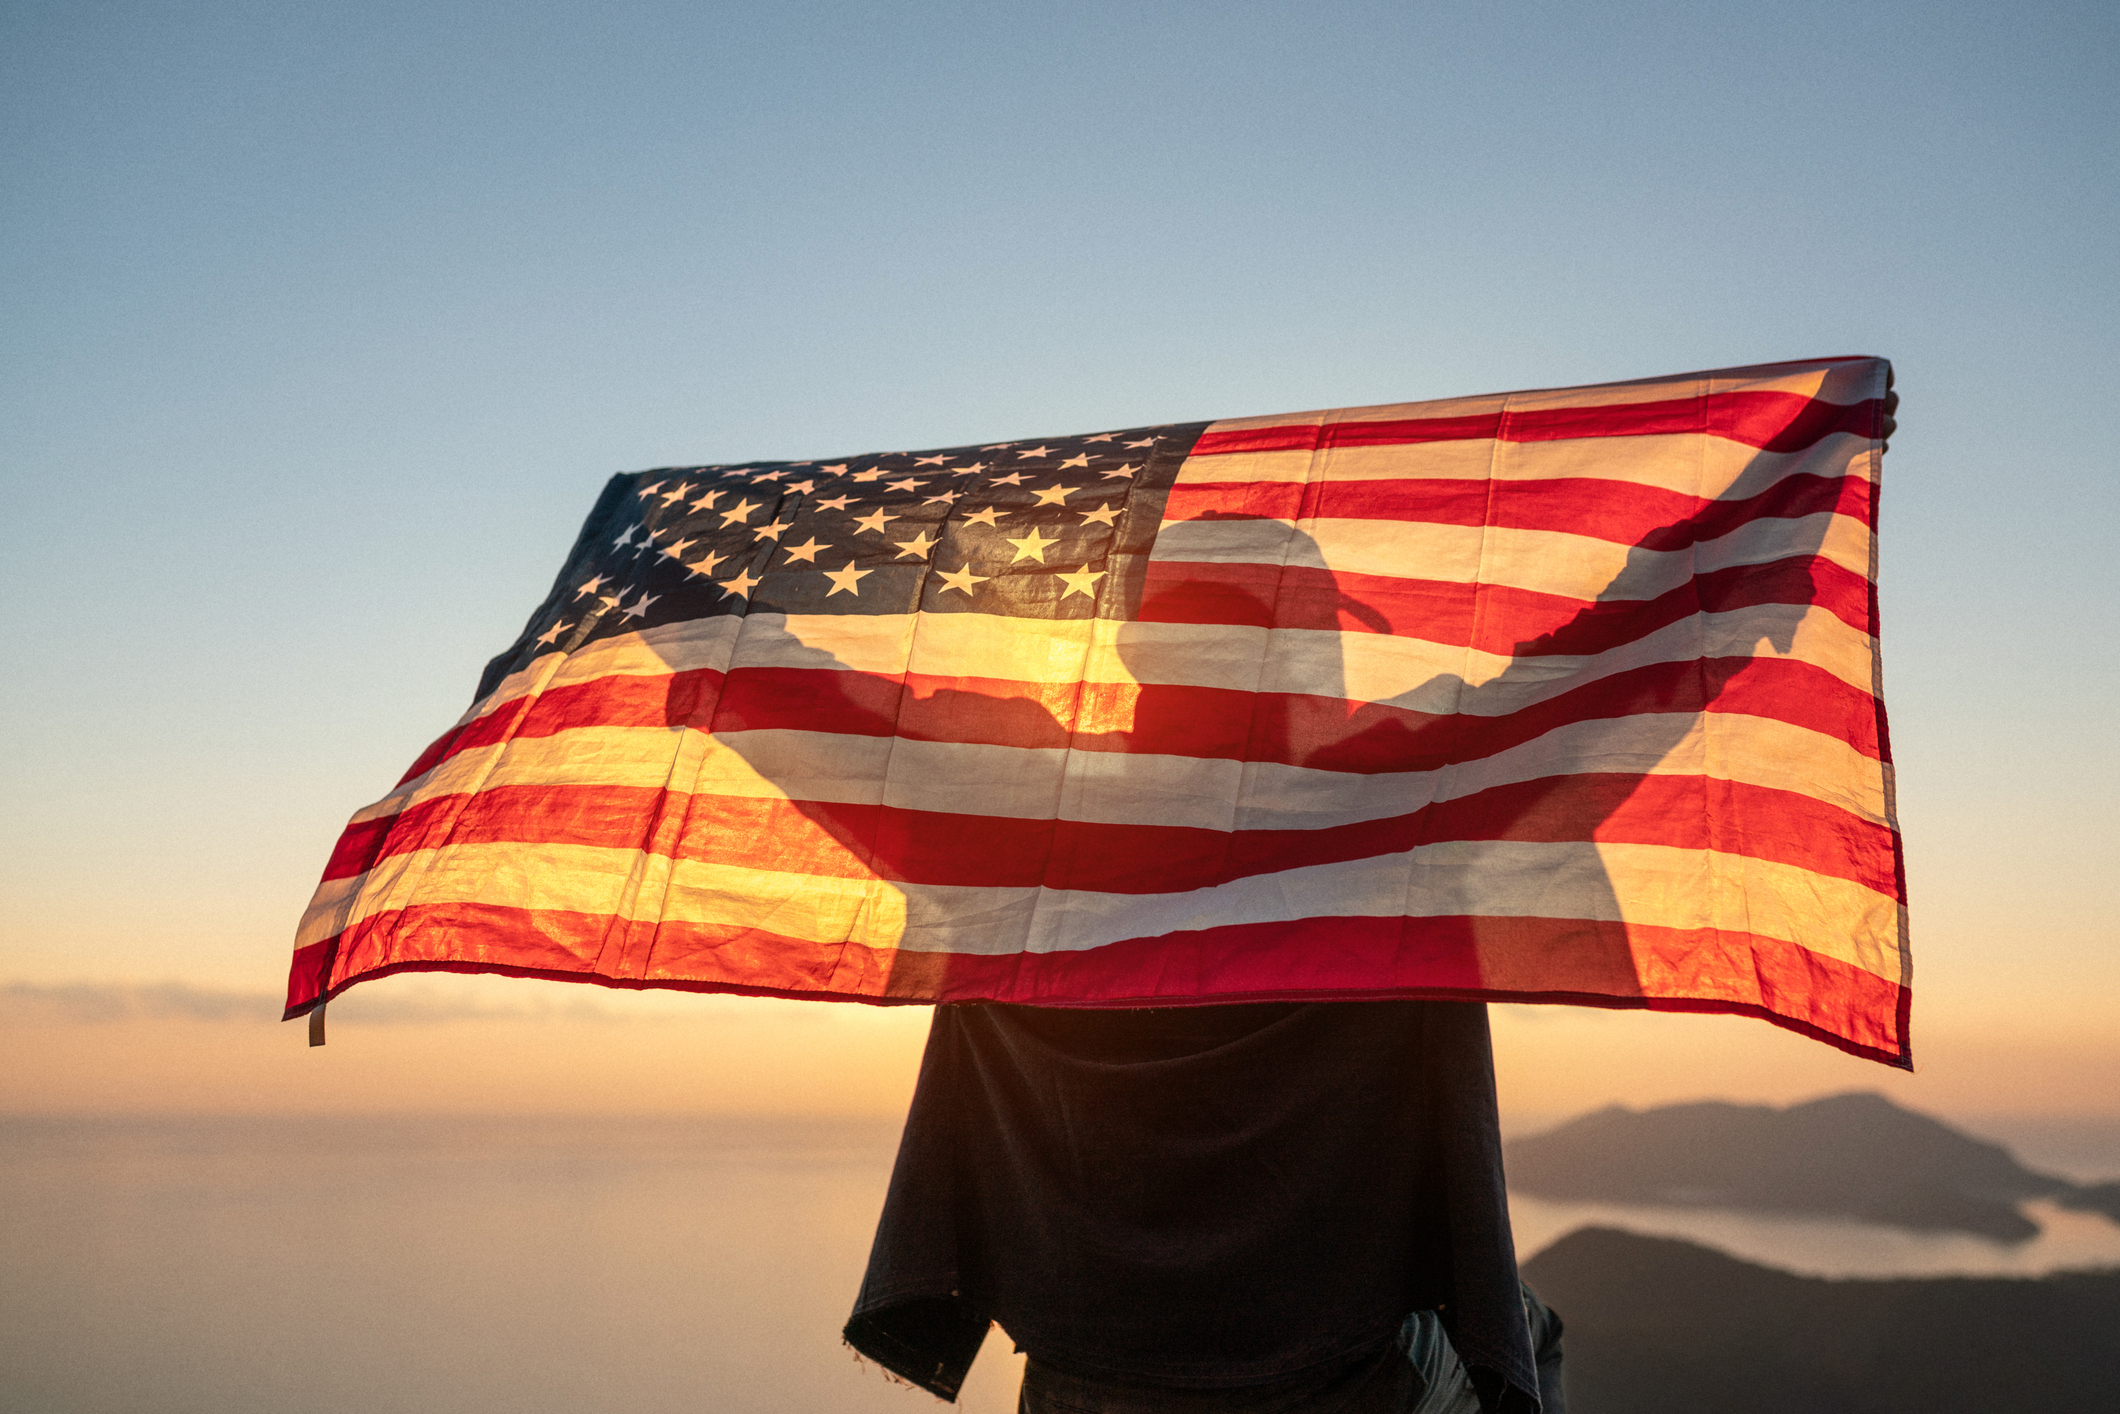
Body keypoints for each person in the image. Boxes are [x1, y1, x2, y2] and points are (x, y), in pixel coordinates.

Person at [844, 999, 1565, 1412]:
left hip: (1087, 1376)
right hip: (1332, 1376)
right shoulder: (1375, 874)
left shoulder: (1043, 891)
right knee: (1528, 1335)